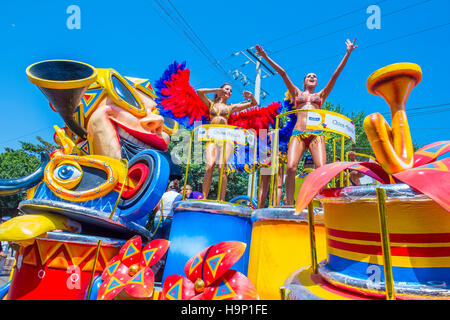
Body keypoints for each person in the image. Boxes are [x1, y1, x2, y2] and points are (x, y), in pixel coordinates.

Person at [255, 39, 357, 205]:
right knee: (290, 167)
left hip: (317, 134)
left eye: (314, 76)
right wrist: (265, 56)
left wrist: (347, 54)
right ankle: (288, 203)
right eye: (309, 76)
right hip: (298, 133)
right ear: (303, 82)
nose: (312, 77)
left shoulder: (321, 95)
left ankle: (319, 202)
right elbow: (283, 73)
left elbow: (335, 75)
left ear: (316, 82)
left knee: (321, 168)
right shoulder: (296, 93)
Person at [196, 83, 257, 201]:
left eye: (231, 90)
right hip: (212, 138)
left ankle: (222, 199)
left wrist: (251, 96)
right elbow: (199, 91)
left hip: (226, 138)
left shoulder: (230, 107)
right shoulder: (211, 104)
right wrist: (216, 89)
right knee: (209, 166)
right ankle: (203, 198)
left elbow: (253, 104)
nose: (229, 91)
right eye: (227, 89)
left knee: (221, 167)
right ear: (221, 90)